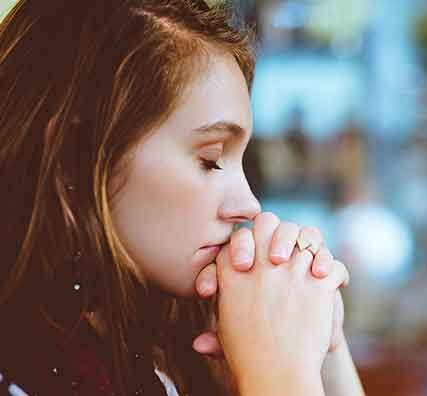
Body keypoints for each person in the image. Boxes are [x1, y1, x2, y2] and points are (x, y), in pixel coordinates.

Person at [0, 0, 365, 395]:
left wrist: (324, 347)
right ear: (75, 157)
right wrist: (277, 375)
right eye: (210, 160)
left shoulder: (167, 351)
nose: (249, 205)